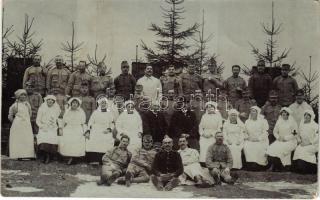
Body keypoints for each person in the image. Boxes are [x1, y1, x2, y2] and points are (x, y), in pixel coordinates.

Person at [85, 97, 116, 165]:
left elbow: (112, 123)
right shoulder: (95, 112)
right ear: (99, 104)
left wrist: (109, 129)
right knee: (93, 140)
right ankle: (94, 159)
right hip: (96, 129)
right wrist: (89, 130)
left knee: (106, 140)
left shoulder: (109, 113)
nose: (103, 104)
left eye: (105, 103)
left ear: (107, 104)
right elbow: (90, 122)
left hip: (106, 130)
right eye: (102, 103)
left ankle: (103, 160)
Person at [266, 107, 298, 172]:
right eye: (282, 114)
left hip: (290, 141)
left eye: (285, 114)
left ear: (288, 114)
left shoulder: (292, 122)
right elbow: (275, 131)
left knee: (282, 148)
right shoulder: (279, 121)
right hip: (280, 140)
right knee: (272, 147)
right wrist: (278, 137)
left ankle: (285, 166)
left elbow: (295, 134)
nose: (283, 115)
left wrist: (285, 138)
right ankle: (274, 165)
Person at [8, 89, 35, 160]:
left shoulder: (27, 104)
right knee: (18, 139)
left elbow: (30, 113)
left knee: (27, 138)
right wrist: (15, 122)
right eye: (21, 95)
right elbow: (10, 116)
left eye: (24, 95)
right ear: (18, 96)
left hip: (26, 124)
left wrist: (26, 120)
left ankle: (27, 155)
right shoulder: (14, 105)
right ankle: (18, 155)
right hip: (18, 125)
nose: (23, 96)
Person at [58, 97, 86, 165]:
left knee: (77, 139)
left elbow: (83, 123)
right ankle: (67, 156)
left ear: (78, 104)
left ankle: (75, 157)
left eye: (76, 103)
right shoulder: (67, 111)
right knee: (66, 137)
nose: (74, 104)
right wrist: (61, 128)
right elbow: (63, 121)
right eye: (73, 103)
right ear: (71, 104)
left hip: (78, 128)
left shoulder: (81, 112)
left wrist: (84, 131)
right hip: (69, 127)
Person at [36, 95, 61, 164]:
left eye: (52, 100)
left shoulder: (56, 110)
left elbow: (57, 120)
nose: (50, 101)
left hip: (52, 127)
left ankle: (49, 156)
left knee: (52, 138)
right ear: (46, 101)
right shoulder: (42, 109)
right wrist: (42, 126)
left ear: (54, 102)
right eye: (49, 100)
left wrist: (55, 126)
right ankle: (45, 155)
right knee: (43, 138)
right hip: (43, 127)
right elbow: (38, 120)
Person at [243, 106, 269, 171]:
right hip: (250, 139)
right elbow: (244, 132)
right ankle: (251, 164)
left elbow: (265, 132)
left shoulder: (263, 121)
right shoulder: (247, 121)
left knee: (260, 147)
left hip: (261, 140)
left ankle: (260, 165)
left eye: (254, 111)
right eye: (251, 111)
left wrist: (258, 139)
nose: (252, 113)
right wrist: (248, 137)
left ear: (257, 113)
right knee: (247, 146)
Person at [292, 110, 318, 174]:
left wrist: (309, 143)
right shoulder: (302, 125)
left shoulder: (315, 125)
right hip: (303, 143)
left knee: (304, 150)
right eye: (305, 115)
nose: (306, 116)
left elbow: (318, 137)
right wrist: (299, 141)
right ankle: (299, 168)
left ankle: (309, 169)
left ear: (311, 117)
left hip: (313, 144)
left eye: (308, 115)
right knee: (298, 149)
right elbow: (296, 133)